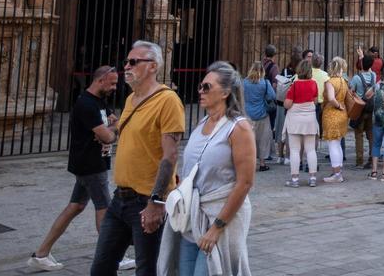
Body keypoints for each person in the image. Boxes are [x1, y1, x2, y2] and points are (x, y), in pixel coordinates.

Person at [91, 41, 186, 276]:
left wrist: (157, 202)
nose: (126, 66)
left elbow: (170, 154)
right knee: (101, 268)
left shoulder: (168, 100)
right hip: (120, 199)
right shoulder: (130, 100)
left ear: (153, 66)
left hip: (146, 202)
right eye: (126, 61)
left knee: (147, 271)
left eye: (134, 62)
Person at [156, 62, 255, 276]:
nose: (200, 91)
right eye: (201, 86)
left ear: (226, 92)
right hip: (192, 217)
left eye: (207, 87)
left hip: (220, 218)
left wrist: (217, 227)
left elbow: (245, 182)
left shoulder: (239, 128)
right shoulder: (202, 122)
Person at [30, 65, 120, 272]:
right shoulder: (86, 104)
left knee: (76, 207)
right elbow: (107, 135)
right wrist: (113, 130)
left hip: (92, 162)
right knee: (104, 209)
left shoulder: (100, 102)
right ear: (100, 80)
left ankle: (41, 254)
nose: (115, 87)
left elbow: (112, 124)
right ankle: (112, 256)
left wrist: (112, 128)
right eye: (112, 83)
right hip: (91, 164)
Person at [282, 58, 319, 188]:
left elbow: (287, 104)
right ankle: (313, 178)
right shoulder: (314, 84)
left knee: (294, 150)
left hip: (295, 120)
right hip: (309, 119)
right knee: (310, 150)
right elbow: (315, 101)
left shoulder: (295, 85)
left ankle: (295, 179)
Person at [320, 57, 351, 183]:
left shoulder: (330, 81)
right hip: (343, 114)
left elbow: (331, 98)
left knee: (332, 145)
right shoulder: (343, 81)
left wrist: (337, 105)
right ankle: (338, 171)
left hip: (332, 114)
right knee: (337, 143)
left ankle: (337, 173)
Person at [241, 62, 274, 171]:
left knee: (248, 141)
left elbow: (240, 95)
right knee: (263, 140)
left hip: (247, 115)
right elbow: (272, 96)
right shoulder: (265, 83)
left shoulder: (244, 82)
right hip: (262, 114)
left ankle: (248, 164)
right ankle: (262, 163)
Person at [349, 55, 377, 170]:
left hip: (360, 109)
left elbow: (351, 91)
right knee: (371, 135)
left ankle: (359, 161)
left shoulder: (356, 78)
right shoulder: (374, 75)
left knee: (359, 135)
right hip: (370, 108)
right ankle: (371, 159)